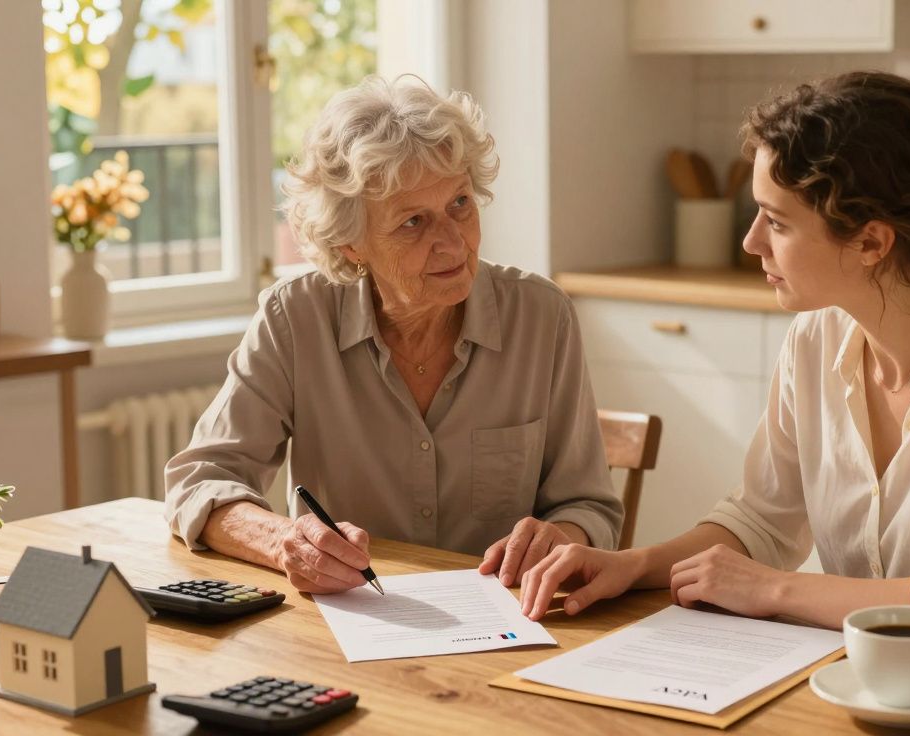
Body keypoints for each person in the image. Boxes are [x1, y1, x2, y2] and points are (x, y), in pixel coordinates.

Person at [518, 71, 910, 660]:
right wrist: (631, 564)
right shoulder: (816, 336)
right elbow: (760, 522)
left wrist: (776, 590)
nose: (751, 242)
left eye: (776, 221)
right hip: (867, 673)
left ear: (871, 243)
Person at [165, 77, 621, 594]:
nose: (451, 242)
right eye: (412, 222)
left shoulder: (543, 317)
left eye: (460, 205)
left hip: (506, 622)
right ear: (352, 243)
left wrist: (559, 536)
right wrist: (284, 540)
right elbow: (199, 479)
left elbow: (591, 507)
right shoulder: (295, 318)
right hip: (351, 620)